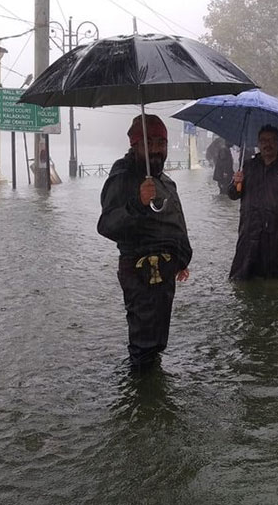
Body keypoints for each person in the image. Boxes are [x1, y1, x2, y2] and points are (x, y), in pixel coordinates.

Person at [97, 114, 192, 368]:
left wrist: (182, 257)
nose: (158, 149)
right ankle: (142, 396)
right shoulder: (123, 176)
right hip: (140, 272)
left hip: (166, 271)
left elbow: (175, 222)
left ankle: (151, 388)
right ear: (135, 145)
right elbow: (106, 225)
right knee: (143, 344)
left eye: (162, 142)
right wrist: (137, 203)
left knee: (158, 339)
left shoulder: (164, 180)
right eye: (150, 142)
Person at [228, 124, 278, 280]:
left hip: (274, 233)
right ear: (258, 143)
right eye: (263, 140)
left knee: (272, 280)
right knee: (240, 277)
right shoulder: (247, 166)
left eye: (271, 140)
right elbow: (232, 195)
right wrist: (235, 183)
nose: (267, 144)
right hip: (248, 231)